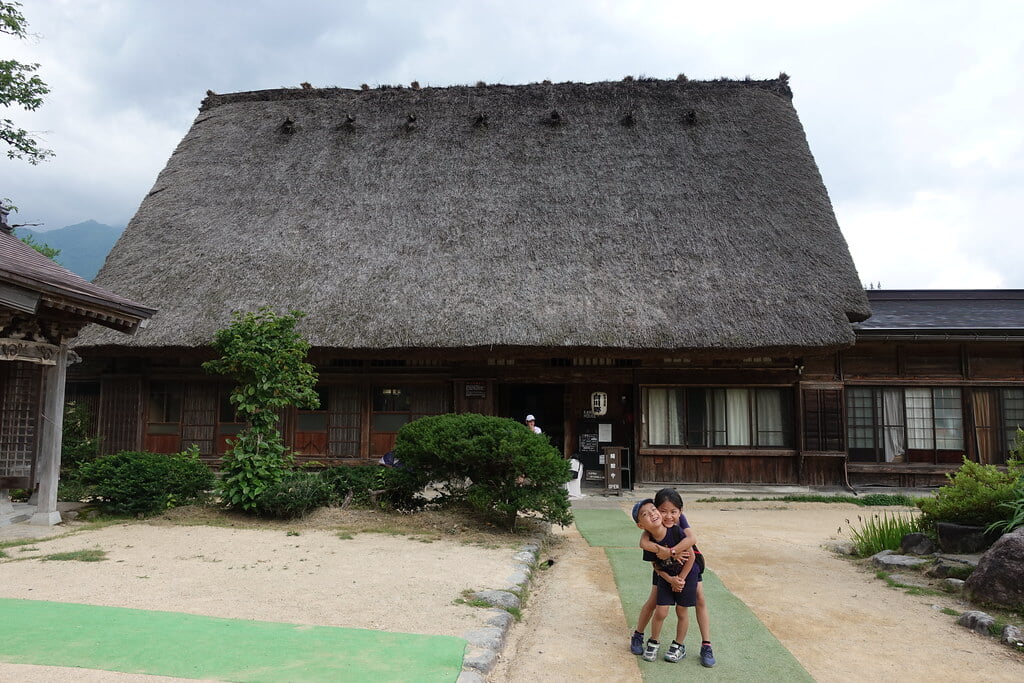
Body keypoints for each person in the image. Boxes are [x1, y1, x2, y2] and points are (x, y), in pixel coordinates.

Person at [630, 489, 715, 667]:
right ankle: (639, 635)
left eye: (673, 511)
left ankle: (706, 644)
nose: (668, 516)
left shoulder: (677, 521)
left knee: (698, 599)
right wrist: (665, 565)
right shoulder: (651, 527)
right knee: (654, 602)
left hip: (688, 564)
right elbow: (645, 544)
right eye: (662, 510)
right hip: (664, 569)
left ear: (679, 511)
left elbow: (692, 539)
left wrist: (671, 552)